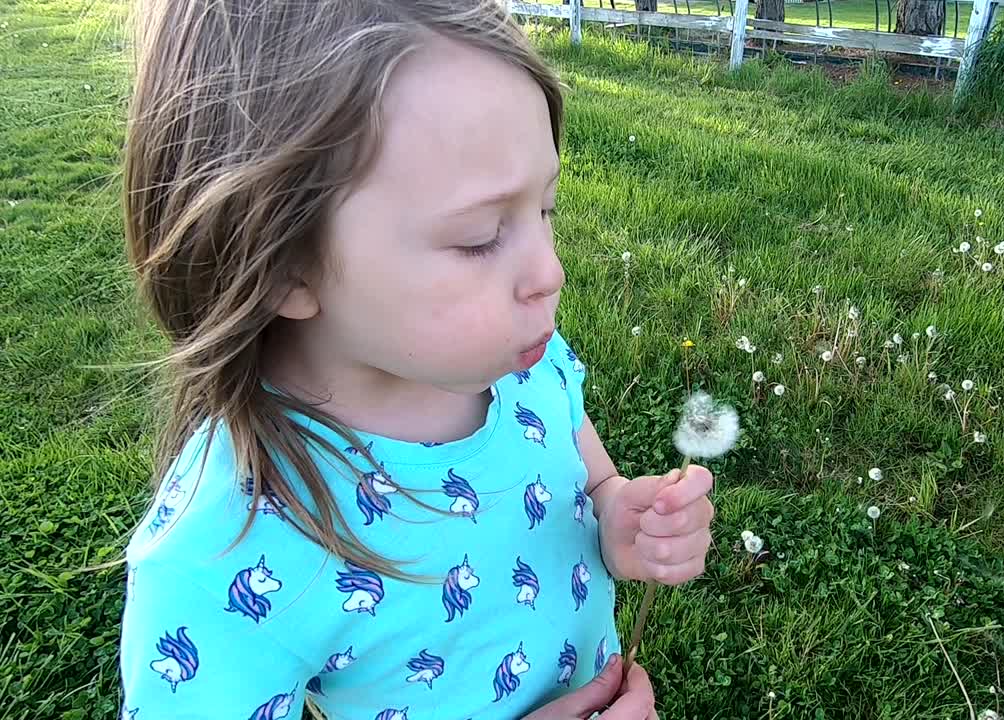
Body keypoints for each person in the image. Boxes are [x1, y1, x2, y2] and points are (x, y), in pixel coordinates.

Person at [116, 1, 716, 717]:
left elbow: (589, 485)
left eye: (546, 209)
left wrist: (619, 518)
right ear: (280, 265)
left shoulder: (525, 367)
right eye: (479, 236)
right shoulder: (223, 551)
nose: (549, 271)